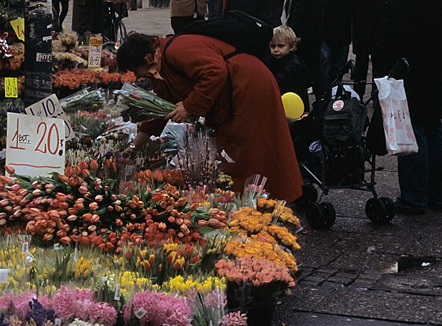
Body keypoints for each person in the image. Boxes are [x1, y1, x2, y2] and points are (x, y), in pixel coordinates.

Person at [117, 32, 303, 202]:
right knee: (239, 152)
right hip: (233, 93)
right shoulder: (158, 68)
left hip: (248, 86)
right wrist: (132, 149)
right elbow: (160, 111)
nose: (137, 77)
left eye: (134, 70)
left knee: (254, 150)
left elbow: (215, 71)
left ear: (144, 59)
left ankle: (271, 200)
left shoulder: (176, 49)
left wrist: (189, 106)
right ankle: (252, 201)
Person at [379, 0, 442, 214]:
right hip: (433, 60)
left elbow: (393, 30)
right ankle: (437, 194)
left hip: (408, 65)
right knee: (433, 126)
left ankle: (414, 195)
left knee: (412, 128)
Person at [353, 0, 394, 97]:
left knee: (361, 65)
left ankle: (359, 93)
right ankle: (378, 93)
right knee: (380, 66)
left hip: (362, 31)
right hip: (382, 31)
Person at [265, 25, 311, 109]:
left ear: (292, 47)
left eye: (280, 46)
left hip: (294, 105)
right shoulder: (273, 61)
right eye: (272, 46)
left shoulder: (293, 65)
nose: (276, 49)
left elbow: (278, 82)